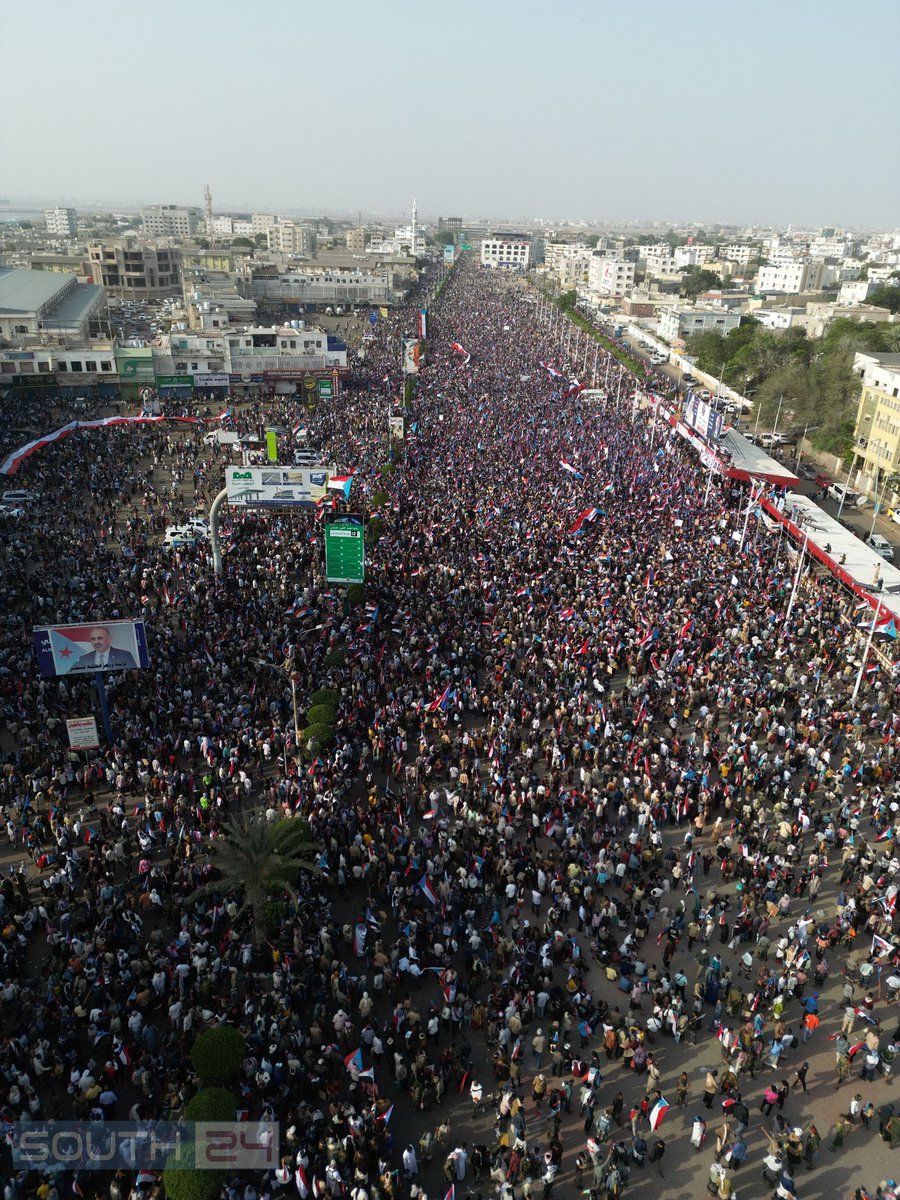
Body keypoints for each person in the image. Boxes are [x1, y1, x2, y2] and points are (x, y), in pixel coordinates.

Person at [71, 625, 137, 671]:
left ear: (109, 639)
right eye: (93, 639)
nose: (96, 642)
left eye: (100, 638)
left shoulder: (125, 655)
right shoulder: (84, 658)